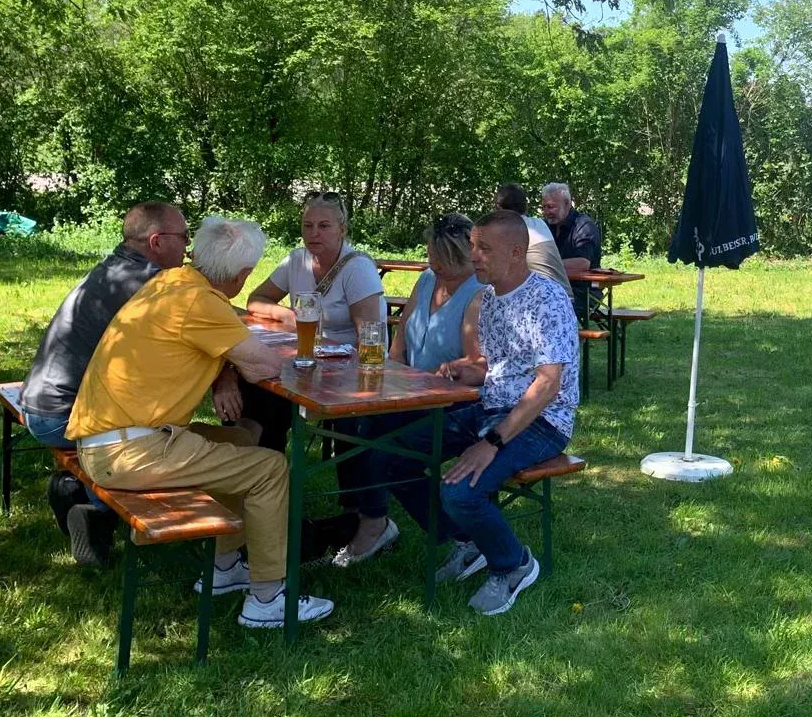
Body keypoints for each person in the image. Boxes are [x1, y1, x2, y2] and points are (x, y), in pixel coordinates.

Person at [65, 216, 334, 629]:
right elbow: (264, 366)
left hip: (109, 439)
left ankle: (224, 568)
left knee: (240, 442)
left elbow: (212, 339)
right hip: (130, 451)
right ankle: (267, 598)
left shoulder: (171, 282)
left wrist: (227, 367)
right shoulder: (201, 303)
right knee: (270, 469)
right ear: (243, 274)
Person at [361, 210, 579, 616]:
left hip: (542, 422)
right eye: (474, 246)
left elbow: (548, 384)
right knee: (387, 456)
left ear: (516, 253)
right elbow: (499, 368)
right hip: (490, 407)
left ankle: (512, 564)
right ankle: (469, 541)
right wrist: (469, 370)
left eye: (484, 248)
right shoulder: (492, 297)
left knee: (460, 490)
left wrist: (491, 442)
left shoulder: (546, 299)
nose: (473, 255)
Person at [19, 202, 190, 554]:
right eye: (184, 236)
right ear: (157, 241)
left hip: (38, 401)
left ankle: (73, 489)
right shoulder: (151, 283)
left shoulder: (115, 268)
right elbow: (204, 326)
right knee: (163, 438)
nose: (188, 246)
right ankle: (96, 508)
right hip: (64, 416)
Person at [331, 213, 485, 566]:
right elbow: (399, 343)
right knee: (355, 421)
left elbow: (473, 369)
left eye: (442, 264)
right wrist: (390, 380)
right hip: (410, 391)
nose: (435, 269)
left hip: (452, 403)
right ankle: (367, 516)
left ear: (463, 258)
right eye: (432, 259)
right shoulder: (428, 279)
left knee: (382, 447)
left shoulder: (478, 292)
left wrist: (411, 385)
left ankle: (449, 534)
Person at [225, 191, 386, 452]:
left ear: (342, 230)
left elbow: (369, 337)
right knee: (255, 381)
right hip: (305, 363)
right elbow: (257, 299)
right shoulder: (296, 259)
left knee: (268, 393)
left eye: (324, 226)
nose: (314, 233)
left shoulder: (358, 268)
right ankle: (254, 458)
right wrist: (288, 316)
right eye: (308, 226)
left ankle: (255, 459)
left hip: (348, 372)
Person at [495, 183, 573, 300]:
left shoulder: (510, 231)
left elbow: (496, 271)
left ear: (499, 209)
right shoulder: (539, 224)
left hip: (546, 301)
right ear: (525, 207)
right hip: (565, 298)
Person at [540, 181, 602, 317]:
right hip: (551, 290)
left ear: (567, 203)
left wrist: (542, 265)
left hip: (583, 293)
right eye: (544, 207)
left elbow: (582, 264)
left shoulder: (584, 226)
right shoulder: (545, 226)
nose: (546, 212)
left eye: (551, 207)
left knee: (543, 309)